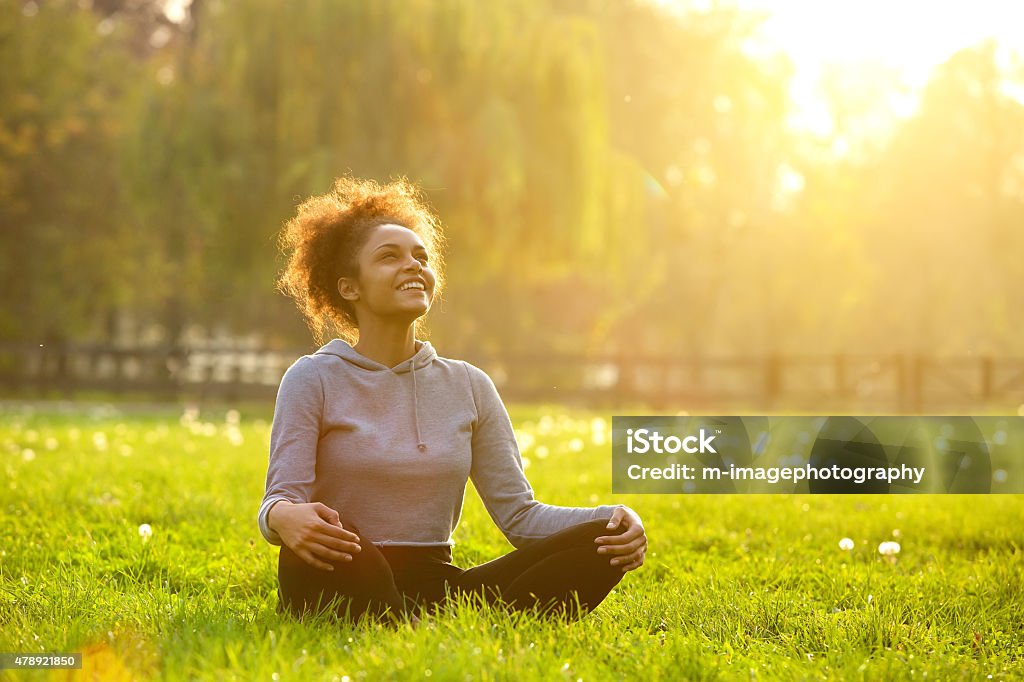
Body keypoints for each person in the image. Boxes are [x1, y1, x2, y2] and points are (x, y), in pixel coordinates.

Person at [258, 175, 647, 626]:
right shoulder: (313, 377)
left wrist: (618, 517)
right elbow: (280, 500)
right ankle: (406, 618)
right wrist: (284, 518)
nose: (412, 266)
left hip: (436, 584)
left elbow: (520, 516)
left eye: (420, 257)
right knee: (347, 546)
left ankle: (408, 619)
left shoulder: (469, 385)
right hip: (340, 565)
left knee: (604, 540)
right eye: (389, 257)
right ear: (350, 287)